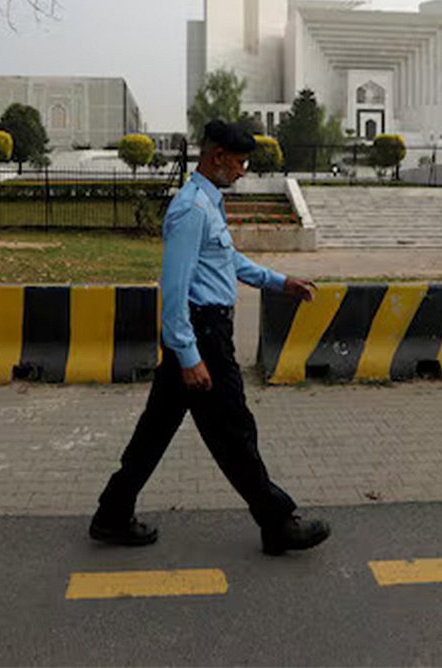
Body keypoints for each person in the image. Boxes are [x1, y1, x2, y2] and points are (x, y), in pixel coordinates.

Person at [90, 119, 331, 556]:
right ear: (217, 156)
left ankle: (111, 514)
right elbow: (175, 288)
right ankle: (277, 522)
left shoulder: (208, 202)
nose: (242, 171)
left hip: (202, 334)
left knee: (155, 431)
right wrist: (188, 355)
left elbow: (227, 261)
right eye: (239, 162)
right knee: (234, 432)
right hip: (201, 337)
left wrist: (279, 282)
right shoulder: (191, 210)